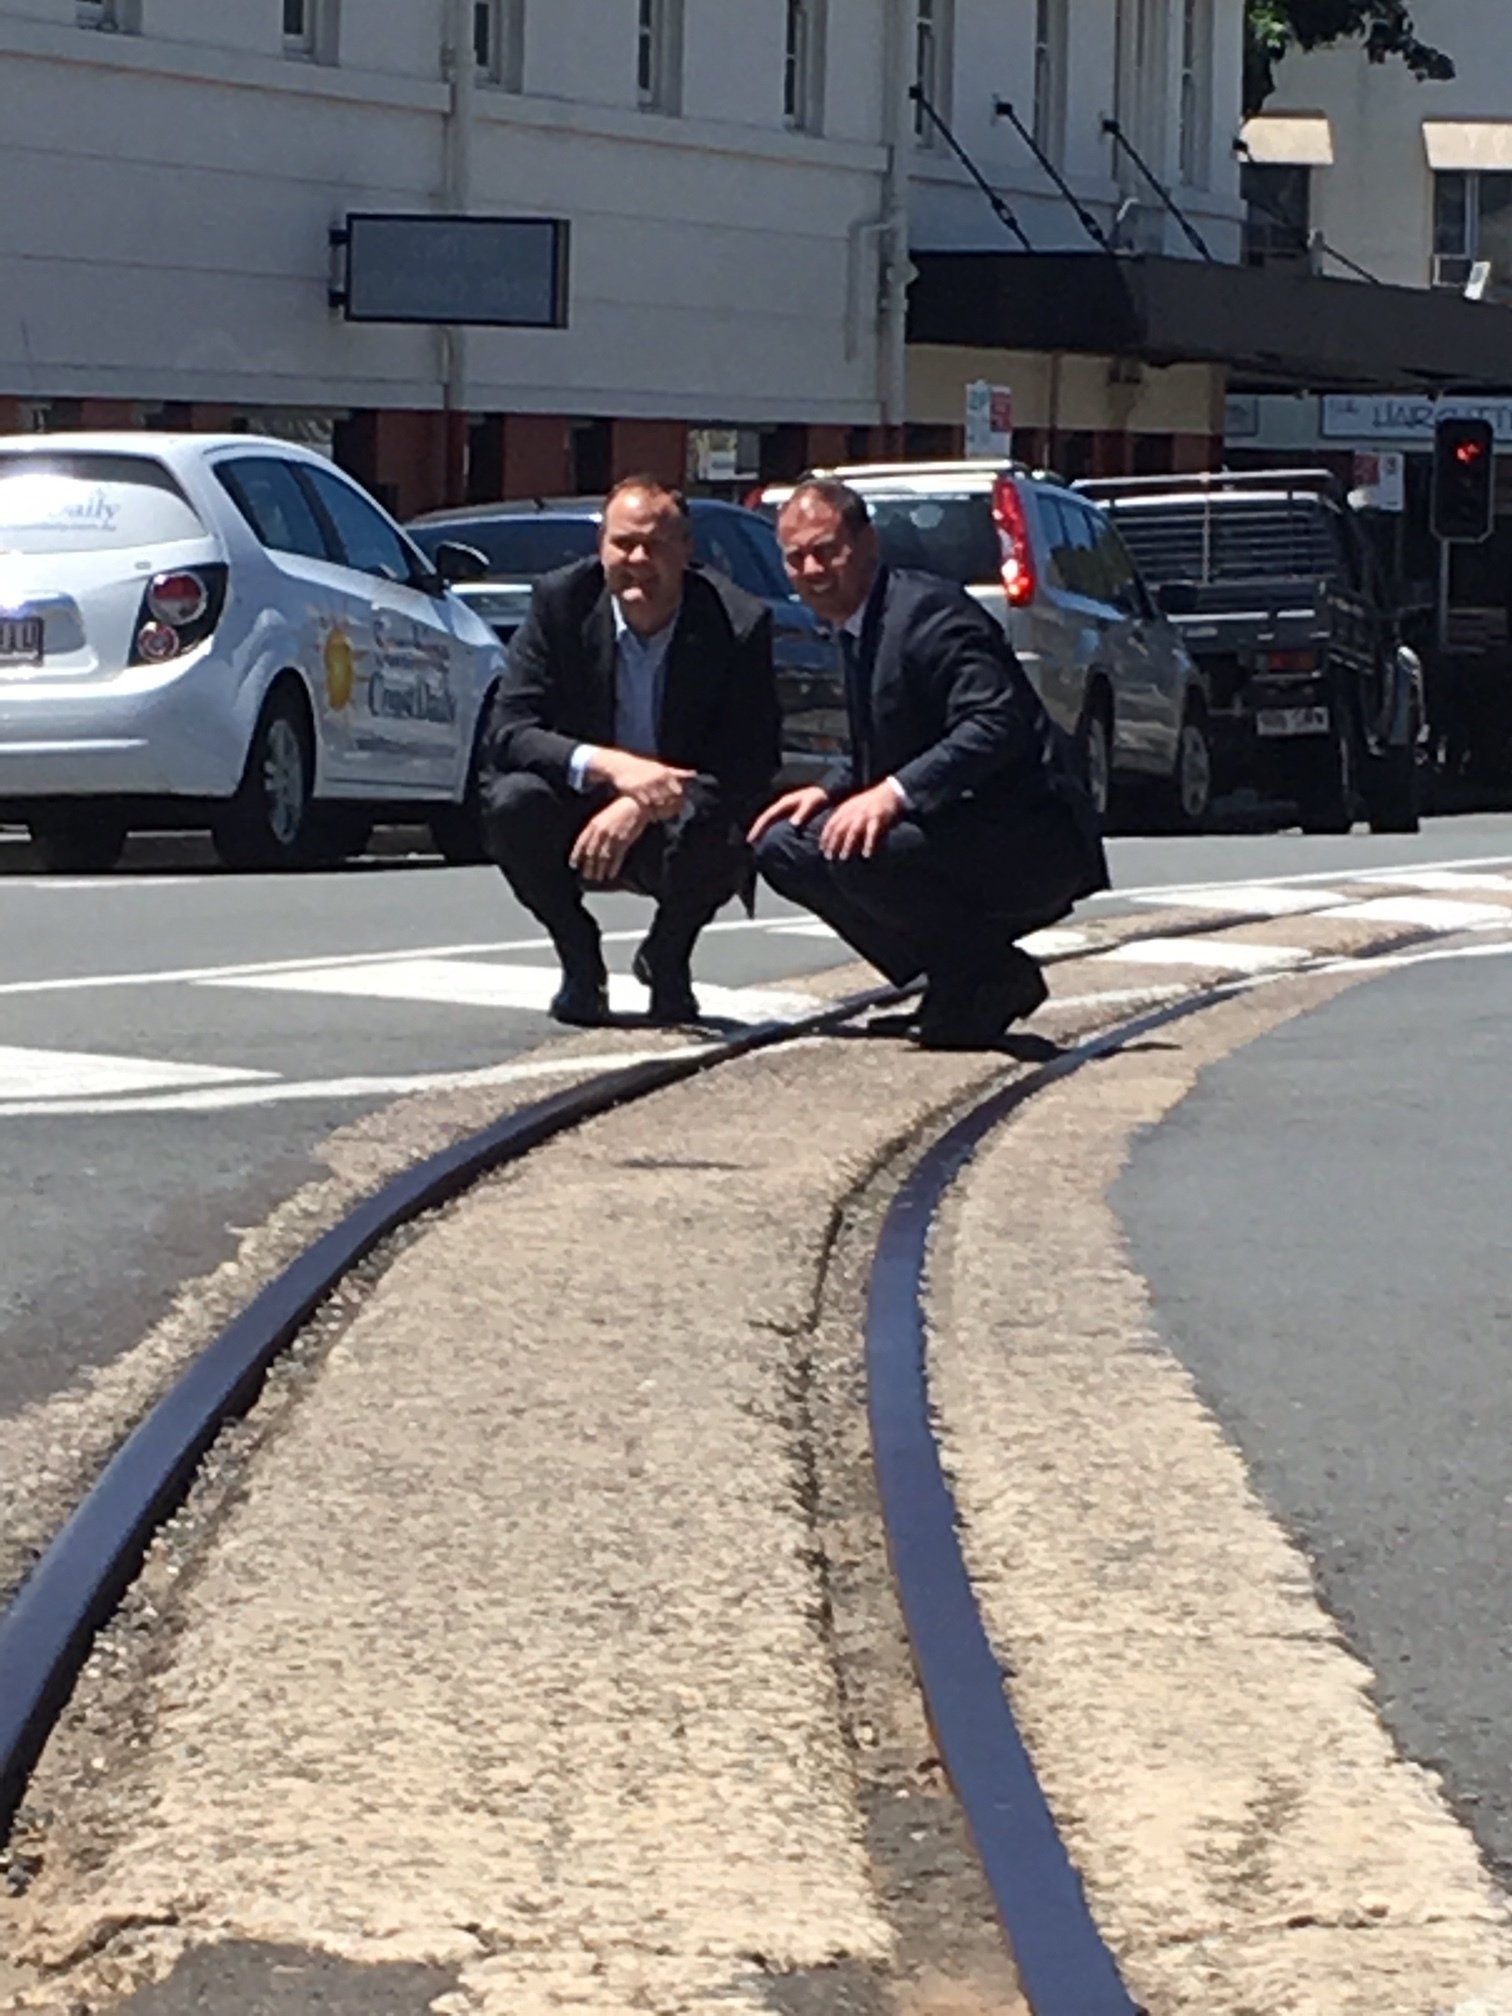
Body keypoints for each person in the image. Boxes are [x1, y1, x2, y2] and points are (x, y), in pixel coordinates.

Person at [750, 478, 1108, 1049]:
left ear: (867, 544)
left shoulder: (928, 614)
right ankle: (954, 978)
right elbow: (897, 740)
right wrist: (832, 788)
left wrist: (890, 793)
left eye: (827, 551)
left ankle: (991, 974)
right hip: (948, 828)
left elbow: (996, 723)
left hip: (1026, 837)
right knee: (784, 845)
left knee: (861, 847)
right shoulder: (858, 625)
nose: (813, 570)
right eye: (796, 558)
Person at [481, 477, 780, 1026]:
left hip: (683, 812)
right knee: (511, 802)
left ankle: (668, 956)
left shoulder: (737, 622)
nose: (638, 560)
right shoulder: (560, 603)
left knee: (724, 827)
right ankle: (579, 957)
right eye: (623, 544)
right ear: (601, 548)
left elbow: (750, 762)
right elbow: (510, 730)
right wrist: (614, 768)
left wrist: (644, 799)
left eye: (656, 545)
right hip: (579, 804)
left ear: (686, 550)